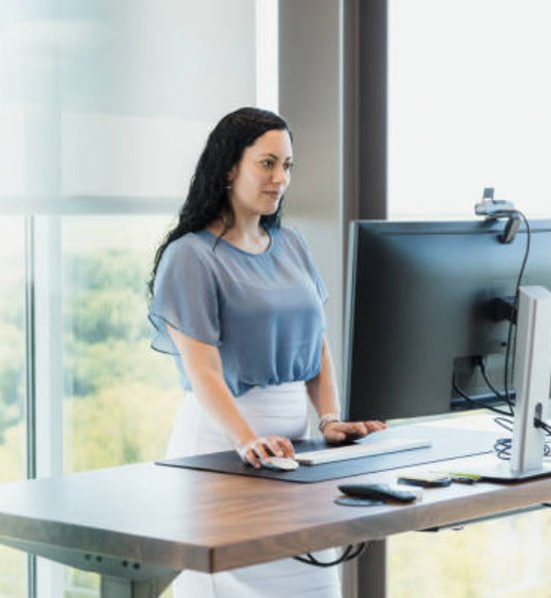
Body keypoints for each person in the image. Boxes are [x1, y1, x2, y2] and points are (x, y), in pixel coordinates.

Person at [147, 107, 386, 598]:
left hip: (293, 452)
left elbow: (317, 347)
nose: (280, 179)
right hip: (222, 445)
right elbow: (203, 370)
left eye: (288, 166)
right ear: (230, 167)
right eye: (268, 163)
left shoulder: (291, 244)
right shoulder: (189, 256)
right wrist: (247, 438)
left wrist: (329, 420)